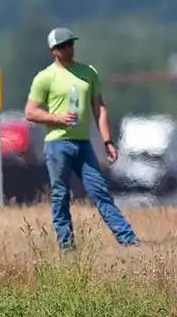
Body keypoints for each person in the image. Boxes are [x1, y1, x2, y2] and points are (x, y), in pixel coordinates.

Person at [24, 27, 139, 249]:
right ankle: (66, 246)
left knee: (100, 192)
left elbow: (100, 108)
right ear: (54, 51)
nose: (70, 49)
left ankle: (127, 240)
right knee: (60, 195)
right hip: (57, 144)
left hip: (83, 144)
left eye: (71, 44)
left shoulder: (89, 73)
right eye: (64, 46)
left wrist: (107, 141)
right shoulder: (45, 78)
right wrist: (57, 117)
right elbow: (30, 112)